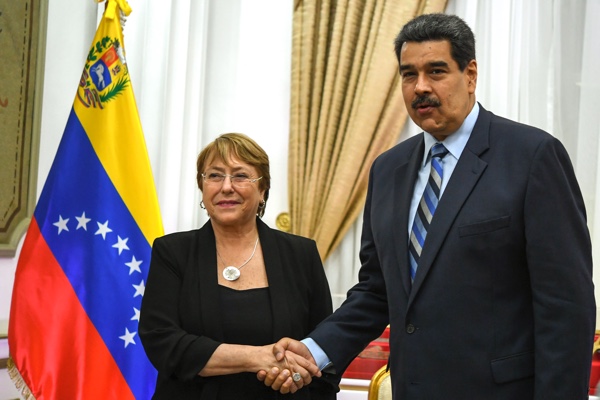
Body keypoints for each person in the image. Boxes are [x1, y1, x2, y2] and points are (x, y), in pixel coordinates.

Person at [259, 13, 596, 399]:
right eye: (408, 74)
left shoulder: (532, 156)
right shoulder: (387, 169)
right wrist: (314, 351)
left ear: (470, 75)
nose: (420, 87)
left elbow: (565, 305)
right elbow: (376, 292)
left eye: (436, 71)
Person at [139, 133, 338, 399]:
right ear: (202, 187)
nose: (226, 187)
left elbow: (324, 345)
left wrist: (296, 376)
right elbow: (163, 341)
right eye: (214, 176)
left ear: (262, 190)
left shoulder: (301, 254)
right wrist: (258, 357)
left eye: (241, 176)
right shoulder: (173, 252)